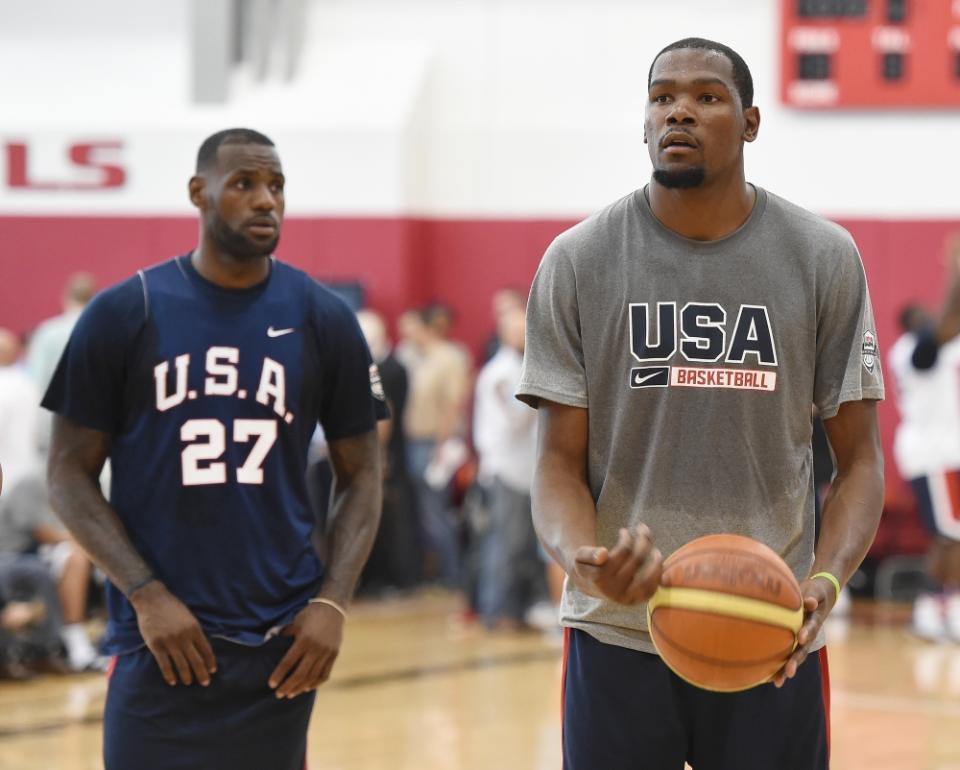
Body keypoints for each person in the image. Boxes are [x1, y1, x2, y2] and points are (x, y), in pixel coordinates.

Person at [517, 38, 884, 769]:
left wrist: (826, 580)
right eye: (662, 98)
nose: (679, 111)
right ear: (644, 122)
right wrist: (586, 559)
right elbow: (556, 465)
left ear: (749, 123)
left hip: (767, 622)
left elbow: (860, 461)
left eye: (706, 97)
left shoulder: (823, 257)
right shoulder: (577, 260)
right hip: (618, 631)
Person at [43, 128, 387, 770]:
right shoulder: (126, 312)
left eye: (277, 186)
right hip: (159, 641)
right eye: (245, 184)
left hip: (280, 644)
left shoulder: (323, 317)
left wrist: (333, 601)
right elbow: (67, 473)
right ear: (198, 193)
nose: (266, 200)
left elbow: (364, 474)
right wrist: (145, 592)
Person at [473, 306, 546, 629]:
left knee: (522, 548)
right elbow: (516, 418)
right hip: (506, 470)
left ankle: (517, 610)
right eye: (519, 332)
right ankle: (495, 611)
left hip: (526, 469)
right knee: (505, 545)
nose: (525, 337)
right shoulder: (500, 373)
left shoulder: (520, 367)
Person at [0, 472, 104, 670]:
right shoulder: (31, 482)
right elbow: (43, 533)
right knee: (73, 558)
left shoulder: (81, 485)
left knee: (90, 559)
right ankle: (71, 647)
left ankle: (76, 643)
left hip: (35, 554)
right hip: (13, 553)